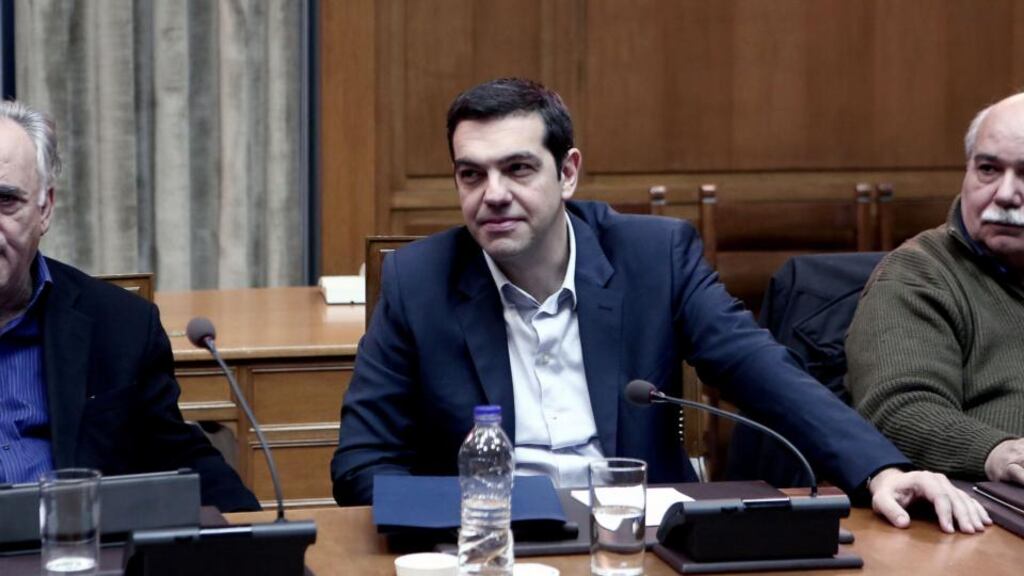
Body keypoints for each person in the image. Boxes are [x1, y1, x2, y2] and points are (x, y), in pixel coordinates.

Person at [332, 78, 988, 533]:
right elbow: (360, 466)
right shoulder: (420, 280)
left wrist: (879, 469)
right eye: (470, 174)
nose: (492, 194)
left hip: (637, 543)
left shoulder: (654, 257)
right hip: (490, 545)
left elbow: (762, 371)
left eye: (518, 169)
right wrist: (486, 515)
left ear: (568, 173)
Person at [0, 101, 258, 512]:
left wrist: (257, 541)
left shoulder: (120, 327)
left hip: (74, 556)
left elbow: (179, 462)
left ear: (45, 208)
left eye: (6, 200)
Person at [847, 92, 1024, 488]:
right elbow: (897, 411)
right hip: (979, 510)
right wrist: (996, 452)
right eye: (988, 169)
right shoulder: (919, 275)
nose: (1007, 194)